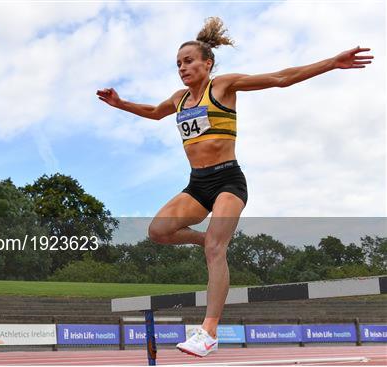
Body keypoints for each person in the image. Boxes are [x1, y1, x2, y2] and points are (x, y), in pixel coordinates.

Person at [96, 17, 373, 357]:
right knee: (159, 231)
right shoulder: (180, 99)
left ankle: (209, 331)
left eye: (189, 61)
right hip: (198, 184)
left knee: (216, 248)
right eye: (178, 64)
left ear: (207, 63)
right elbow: (155, 112)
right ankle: (209, 242)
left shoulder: (223, 86)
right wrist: (119, 103)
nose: (182, 68)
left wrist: (332, 62)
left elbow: (280, 79)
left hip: (228, 179)